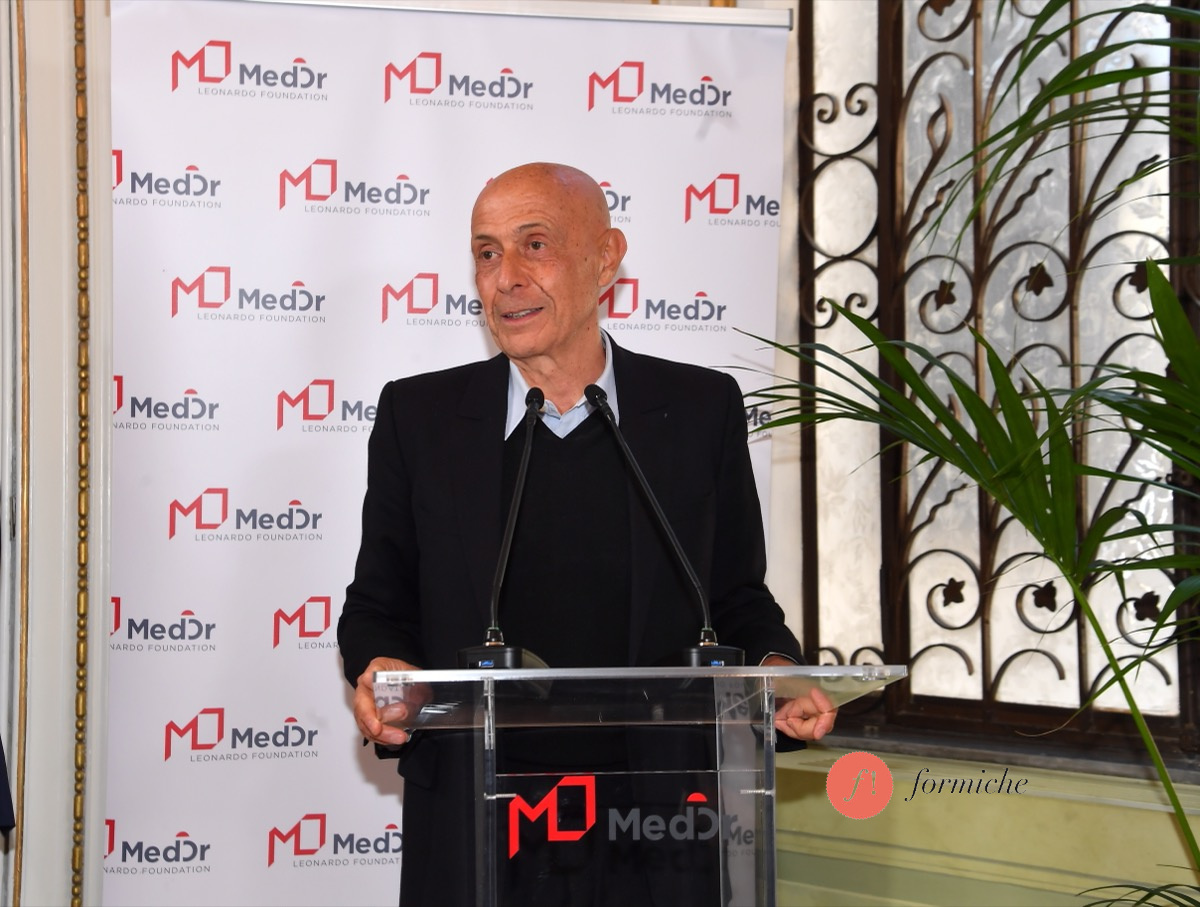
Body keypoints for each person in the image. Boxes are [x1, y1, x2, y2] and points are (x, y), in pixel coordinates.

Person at [338, 162, 835, 905]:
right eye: (486, 252)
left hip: (659, 820)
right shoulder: (422, 418)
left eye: (534, 245)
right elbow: (378, 604)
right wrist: (386, 672)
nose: (506, 276)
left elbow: (733, 596)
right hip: (480, 820)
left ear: (605, 259)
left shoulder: (698, 409)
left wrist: (777, 670)